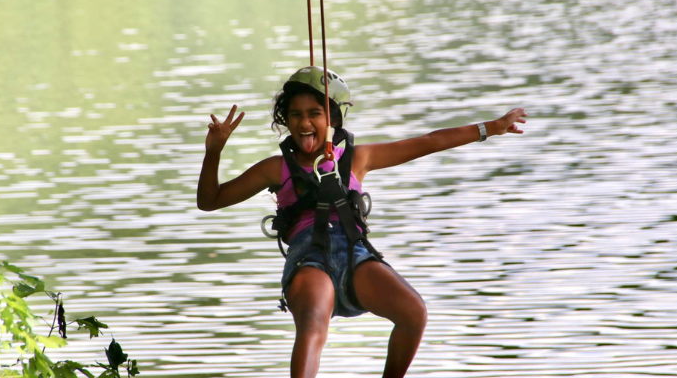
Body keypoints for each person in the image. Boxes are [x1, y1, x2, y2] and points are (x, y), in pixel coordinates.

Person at [197, 66, 527, 378]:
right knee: (313, 326)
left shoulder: (358, 159)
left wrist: (490, 128)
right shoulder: (275, 168)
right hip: (309, 258)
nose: (304, 123)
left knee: (414, 313)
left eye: (314, 114)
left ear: (333, 119)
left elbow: (428, 141)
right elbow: (210, 201)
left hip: (356, 256)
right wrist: (214, 152)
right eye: (295, 115)